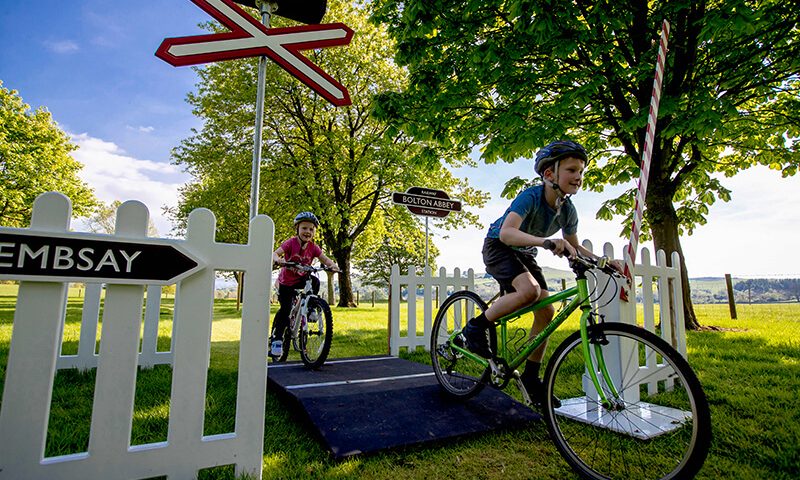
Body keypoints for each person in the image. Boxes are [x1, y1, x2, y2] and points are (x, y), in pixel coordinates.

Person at [463, 140, 623, 406]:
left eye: (581, 172)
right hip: (499, 246)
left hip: (524, 252)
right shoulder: (531, 197)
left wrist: (602, 261)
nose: (578, 177)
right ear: (549, 174)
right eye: (572, 170)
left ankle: (530, 376)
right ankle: (476, 327)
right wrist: (546, 242)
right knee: (530, 291)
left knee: (546, 311)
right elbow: (507, 232)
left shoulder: (567, 209)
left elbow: (574, 244)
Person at [270, 211, 339, 359]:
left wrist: (333, 266)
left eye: (311, 229)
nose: (308, 232)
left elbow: (325, 259)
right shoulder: (291, 243)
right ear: (297, 229)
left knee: (314, 280)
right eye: (304, 228)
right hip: (287, 282)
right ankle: (277, 340)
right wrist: (278, 260)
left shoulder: (314, 247)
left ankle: (311, 308)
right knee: (286, 309)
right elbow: (276, 253)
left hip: (302, 278)